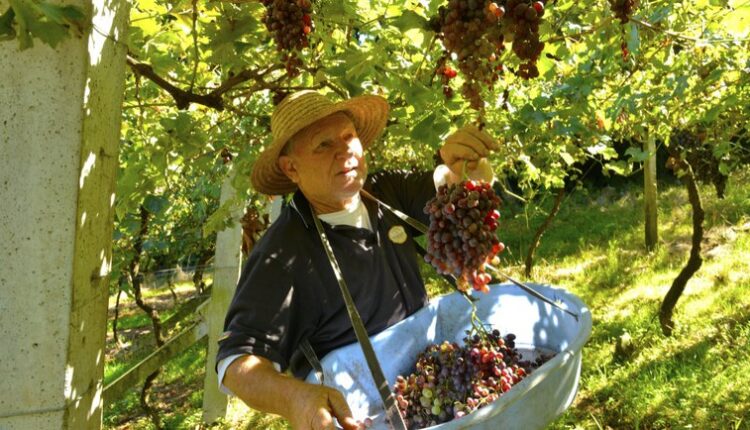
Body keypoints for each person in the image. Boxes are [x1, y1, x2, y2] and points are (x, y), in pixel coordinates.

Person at [217, 90, 497, 430]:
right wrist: (296, 398)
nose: (345, 151)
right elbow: (237, 364)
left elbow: (456, 191)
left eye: (349, 136)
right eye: (323, 144)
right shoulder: (282, 255)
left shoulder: (385, 192)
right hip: (366, 416)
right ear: (292, 168)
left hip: (436, 384)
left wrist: (468, 166)